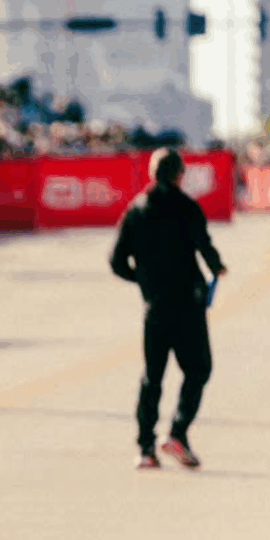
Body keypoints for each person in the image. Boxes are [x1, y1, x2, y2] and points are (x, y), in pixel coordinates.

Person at [110, 147, 228, 470]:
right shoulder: (187, 207)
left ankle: (146, 449)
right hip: (187, 305)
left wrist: (144, 281)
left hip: (156, 307)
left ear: (151, 174)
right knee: (198, 369)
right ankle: (177, 432)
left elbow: (116, 261)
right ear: (180, 175)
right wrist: (217, 266)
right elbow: (204, 245)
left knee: (153, 377)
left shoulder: (136, 210)